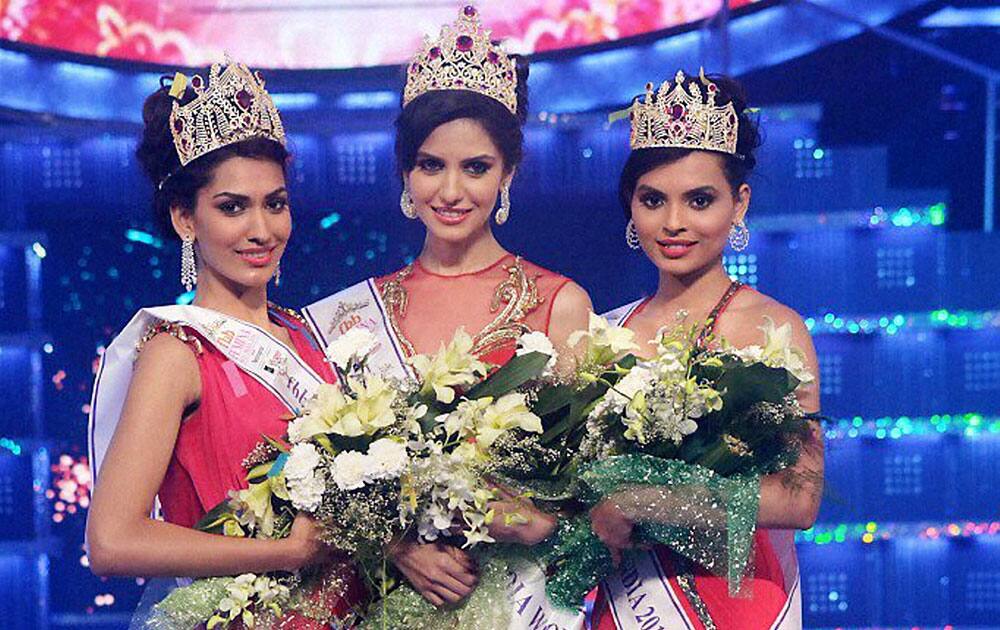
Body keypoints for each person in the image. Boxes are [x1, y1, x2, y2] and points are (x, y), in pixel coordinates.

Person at [301, 6, 592, 626]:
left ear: (509, 172)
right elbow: (317, 478)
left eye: (476, 167)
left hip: (522, 604)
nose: (451, 191)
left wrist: (529, 522)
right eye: (431, 165)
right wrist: (397, 546)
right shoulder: (353, 315)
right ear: (406, 172)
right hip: (383, 607)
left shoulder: (557, 303)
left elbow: (593, 501)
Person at [86, 59, 363, 626]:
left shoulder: (309, 338)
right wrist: (283, 554)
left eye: (275, 203)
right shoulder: (176, 352)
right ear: (185, 217)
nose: (262, 229)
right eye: (232, 207)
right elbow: (112, 542)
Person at [589, 70, 823, 629]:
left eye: (699, 200)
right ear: (631, 207)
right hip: (627, 602)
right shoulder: (603, 334)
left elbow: (800, 499)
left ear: (739, 203)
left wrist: (646, 500)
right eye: (653, 200)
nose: (674, 223)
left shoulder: (773, 328)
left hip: (738, 600)